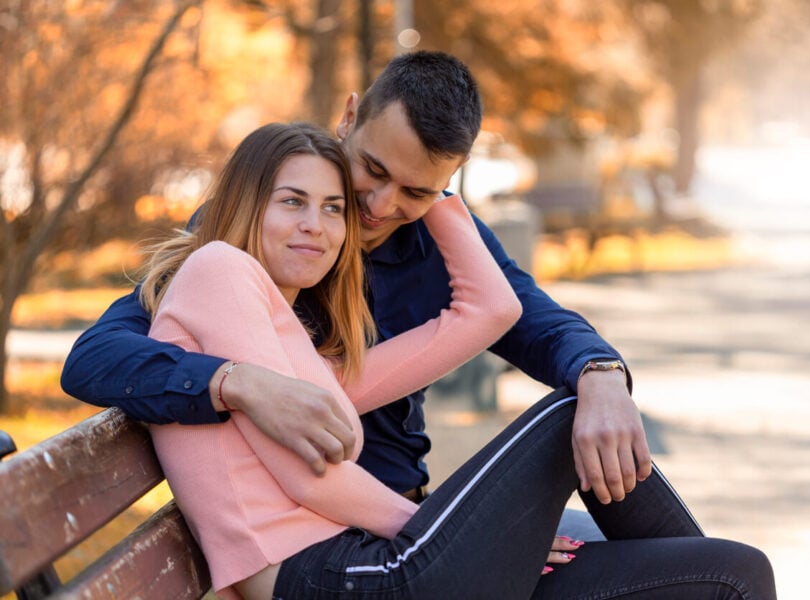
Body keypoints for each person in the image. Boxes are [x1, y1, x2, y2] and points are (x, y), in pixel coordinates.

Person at [65, 51, 686, 555]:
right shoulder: (260, 230)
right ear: (349, 117)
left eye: (416, 190)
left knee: (676, 557)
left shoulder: (440, 241)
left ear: (448, 184)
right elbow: (98, 357)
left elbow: (532, 319)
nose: (382, 206)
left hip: (413, 518)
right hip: (336, 541)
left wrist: (603, 375)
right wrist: (241, 383)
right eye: (374, 169)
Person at [139, 121, 776, 600]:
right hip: (330, 575)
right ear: (246, 202)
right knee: (569, 417)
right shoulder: (219, 270)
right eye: (292, 201)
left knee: (733, 574)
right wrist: (449, 532)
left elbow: (492, 310)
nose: (317, 225)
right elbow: (308, 475)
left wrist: (435, 193)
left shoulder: (285, 329)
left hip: (356, 560)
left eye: (333, 208)